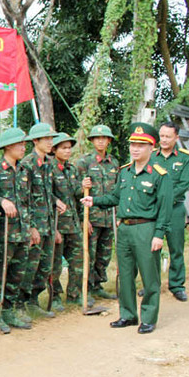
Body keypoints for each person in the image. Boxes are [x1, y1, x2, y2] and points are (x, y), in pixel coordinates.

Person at [81, 122, 172, 334]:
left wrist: (159, 235)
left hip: (146, 230)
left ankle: (148, 317)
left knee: (150, 277)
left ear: (152, 148)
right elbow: (115, 197)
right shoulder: (125, 172)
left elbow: (165, 209)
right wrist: (93, 200)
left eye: (141, 145)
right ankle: (128, 314)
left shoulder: (159, 174)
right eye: (133, 144)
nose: (135, 149)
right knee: (125, 275)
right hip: (124, 230)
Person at [0, 127, 32, 331]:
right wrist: (1, 200)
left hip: (22, 232)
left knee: (16, 274)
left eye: (24, 144)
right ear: (7, 146)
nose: (23, 148)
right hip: (4, 232)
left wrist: (31, 228)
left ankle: (9, 310)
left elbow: (27, 201)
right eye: (19, 144)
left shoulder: (24, 171)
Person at [151, 121, 189, 302]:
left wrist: (165, 201)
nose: (164, 140)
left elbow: (184, 184)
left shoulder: (185, 157)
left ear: (176, 137)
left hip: (175, 209)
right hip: (153, 210)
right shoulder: (152, 156)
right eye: (162, 136)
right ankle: (151, 285)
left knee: (176, 248)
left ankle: (177, 285)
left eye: (168, 136)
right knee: (152, 249)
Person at [20, 122, 58, 320]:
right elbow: (24, 199)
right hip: (35, 225)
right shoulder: (27, 164)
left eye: (52, 139)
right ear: (35, 141)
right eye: (47, 139)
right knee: (30, 266)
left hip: (48, 224)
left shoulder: (48, 164)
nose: (51, 142)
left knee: (44, 266)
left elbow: (46, 193)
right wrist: (31, 227)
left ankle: (34, 300)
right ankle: (22, 302)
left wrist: (55, 201)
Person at [76, 125, 119, 300]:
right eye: (97, 138)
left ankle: (97, 285)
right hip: (91, 217)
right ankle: (85, 287)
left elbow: (118, 191)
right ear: (92, 141)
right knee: (89, 254)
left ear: (109, 141)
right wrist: (82, 219)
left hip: (109, 217)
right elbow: (76, 192)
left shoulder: (114, 163)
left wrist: (119, 216)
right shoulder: (84, 162)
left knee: (105, 254)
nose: (101, 141)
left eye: (104, 138)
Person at [50, 133, 84, 308]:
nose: (67, 151)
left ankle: (74, 293)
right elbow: (47, 195)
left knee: (78, 259)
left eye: (69, 147)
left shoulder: (72, 169)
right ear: (54, 149)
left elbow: (77, 195)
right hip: (58, 224)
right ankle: (55, 296)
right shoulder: (49, 169)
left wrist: (84, 187)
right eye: (63, 148)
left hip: (74, 223)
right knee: (55, 263)